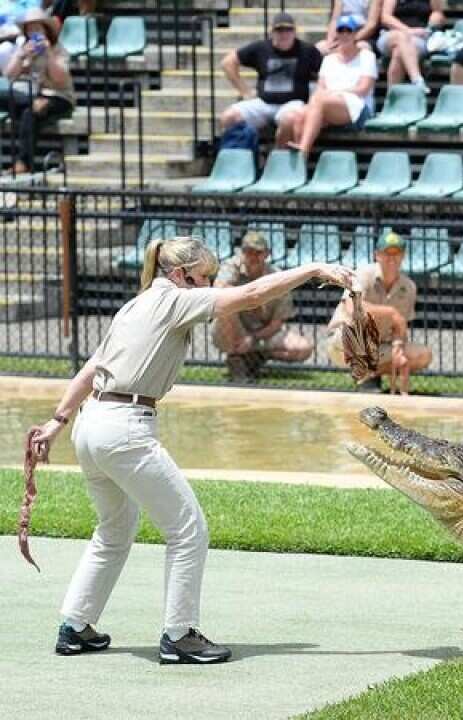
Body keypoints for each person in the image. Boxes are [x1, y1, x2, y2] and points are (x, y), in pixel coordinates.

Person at [28, 236, 352, 664]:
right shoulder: (174, 300)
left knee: (114, 529)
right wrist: (312, 269)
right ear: (179, 276)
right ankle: (180, 636)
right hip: (125, 427)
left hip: (91, 425)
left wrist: (58, 420)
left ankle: (75, 626)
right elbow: (251, 294)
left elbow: (93, 366)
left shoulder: (136, 304)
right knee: (188, 529)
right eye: (203, 278)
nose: (208, 286)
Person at [325, 230, 433, 393]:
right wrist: (389, 312)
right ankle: (364, 373)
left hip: (379, 345)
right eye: (386, 253)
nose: (392, 258)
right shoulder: (363, 274)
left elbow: (400, 325)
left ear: (403, 256)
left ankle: (368, 376)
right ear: (377, 255)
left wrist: (398, 346)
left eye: (396, 253)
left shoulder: (409, 286)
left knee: (423, 354)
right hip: (343, 342)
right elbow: (351, 307)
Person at [212, 231, 315, 383]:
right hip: (232, 329)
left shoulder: (277, 276)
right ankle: (238, 358)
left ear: (267, 254)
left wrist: (252, 339)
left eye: (258, 252)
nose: (253, 256)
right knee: (225, 307)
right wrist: (244, 296)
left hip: (262, 333)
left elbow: (277, 324)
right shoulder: (232, 266)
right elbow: (218, 291)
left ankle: (253, 357)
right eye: (248, 252)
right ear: (241, 253)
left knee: (303, 348)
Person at [219, 12, 322, 149]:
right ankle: (243, 160)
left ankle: (276, 158)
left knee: (290, 120)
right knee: (228, 117)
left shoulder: (307, 50)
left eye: (288, 30)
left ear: (295, 32)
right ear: (272, 32)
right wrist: (244, 91)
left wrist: (315, 100)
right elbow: (228, 62)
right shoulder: (261, 48)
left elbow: (327, 73)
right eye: (279, 30)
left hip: (292, 103)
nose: (284, 34)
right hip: (263, 102)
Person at [287, 15, 377, 157]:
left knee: (319, 100)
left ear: (355, 34)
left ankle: (303, 150)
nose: (345, 34)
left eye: (349, 31)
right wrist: (328, 96)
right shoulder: (328, 60)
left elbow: (363, 89)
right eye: (341, 31)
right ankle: (300, 165)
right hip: (329, 104)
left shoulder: (367, 56)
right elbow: (320, 87)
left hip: (358, 107)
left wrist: (335, 93)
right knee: (297, 115)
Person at [3, 8, 73, 175]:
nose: (34, 33)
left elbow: (60, 80)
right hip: (33, 95)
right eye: (30, 29)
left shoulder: (58, 50)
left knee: (30, 113)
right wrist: (21, 55)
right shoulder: (26, 49)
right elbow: (9, 74)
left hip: (58, 97)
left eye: (37, 28)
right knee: (20, 103)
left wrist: (48, 53)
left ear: (46, 30)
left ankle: (23, 163)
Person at [379, 0, 446, 94]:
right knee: (401, 37)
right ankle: (416, 78)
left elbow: (438, 13)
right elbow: (385, 17)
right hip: (391, 35)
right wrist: (408, 31)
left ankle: (391, 98)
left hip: (418, 38)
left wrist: (433, 22)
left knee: (398, 52)